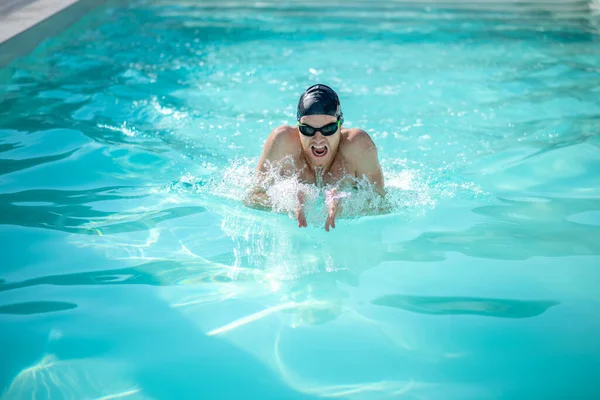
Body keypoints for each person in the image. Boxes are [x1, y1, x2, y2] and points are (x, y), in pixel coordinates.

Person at [244, 83, 385, 231]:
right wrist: (287, 203)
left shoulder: (358, 146)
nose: (318, 139)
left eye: (328, 128)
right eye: (308, 129)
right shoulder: (282, 142)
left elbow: (381, 203)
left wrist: (347, 204)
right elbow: (252, 197)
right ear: (298, 126)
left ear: (340, 124)